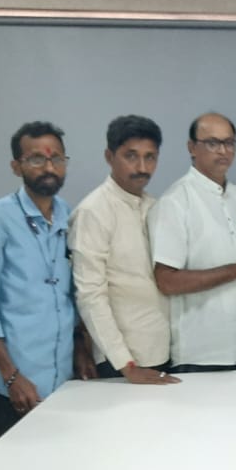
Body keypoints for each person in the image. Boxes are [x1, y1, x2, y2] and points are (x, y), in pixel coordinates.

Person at [0, 121, 96, 438]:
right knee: (19, 465)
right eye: (37, 159)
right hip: (16, 383)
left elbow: (68, 294)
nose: (49, 167)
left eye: (57, 159)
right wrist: (12, 377)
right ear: (16, 166)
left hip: (64, 378)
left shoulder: (67, 214)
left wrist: (80, 348)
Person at [149, 112, 236, 372]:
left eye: (229, 143)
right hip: (201, 352)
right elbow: (166, 281)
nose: (223, 151)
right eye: (213, 143)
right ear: (192, 148)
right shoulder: (175, 201)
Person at [69, 115, 179, 385]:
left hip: (164, 352)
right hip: (122, 363)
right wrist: (126, 365)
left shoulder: (155, 207)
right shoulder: (93, 212)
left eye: (150, 157)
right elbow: (90, 296)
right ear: (109, 156)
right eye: (131, 156)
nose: (142, 167)